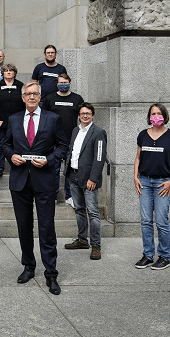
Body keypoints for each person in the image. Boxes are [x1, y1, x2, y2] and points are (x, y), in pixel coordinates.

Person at [3, 81, 68, 296]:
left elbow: (63, 146)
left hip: (44, 180)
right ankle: (28, 266)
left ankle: (51, 273)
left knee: (47, 228)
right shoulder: (13, 119)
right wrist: (11, 156)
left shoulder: (53, 118)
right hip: (20, 181)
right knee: (24, 226)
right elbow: (5, 144)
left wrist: (49, 160)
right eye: (28, 94)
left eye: (35, 94)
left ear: (40, 97)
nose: (31, 97)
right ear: (22, 98)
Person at [64, 103, 107, 260]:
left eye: (88, 113)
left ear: (93, 115)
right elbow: (72, 151)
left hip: (89, 179)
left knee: (93, 212)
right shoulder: (75, 131)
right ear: (78, 115)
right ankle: (82, 240)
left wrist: (93, 178)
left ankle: (96, 245)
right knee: (79, 209)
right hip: (73, 176)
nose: (85, 116)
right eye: (82, 113)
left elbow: (100, 157)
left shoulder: (99, 132)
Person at [133, 103, 170, 270]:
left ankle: (164, 257)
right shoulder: (143, 134)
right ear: (149, 116)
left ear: (164, 115)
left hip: (163, 182)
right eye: (153, 113)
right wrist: (135, 177)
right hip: (144, 181)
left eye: (158, 113)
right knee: (146, 221)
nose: (156, 116)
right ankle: (148, 255)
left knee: (162, 221)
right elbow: (138, 158)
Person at [42, 73, 84, 206]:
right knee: (53, 170)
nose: (63, 84)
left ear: (70, 83)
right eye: (60, 82)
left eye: (65, 82)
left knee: (70, 170)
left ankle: (69, 196)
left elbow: (83, 117)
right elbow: (43, 118)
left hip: (72, 140)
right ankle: (52, 196)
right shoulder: (49, 99)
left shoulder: (77, 99)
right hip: (53, 140)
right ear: (57, 84)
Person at [0, 64, 25, 177]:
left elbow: (25, 102)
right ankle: (0, 167)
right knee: (1, 144)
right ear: (3, 73)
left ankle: (16, 166)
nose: (9, 72)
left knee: (17, 144)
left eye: (11, 71)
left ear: (15, 73)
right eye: (6, 71)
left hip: (18, 121)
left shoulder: (20, 85)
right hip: (1, 122)